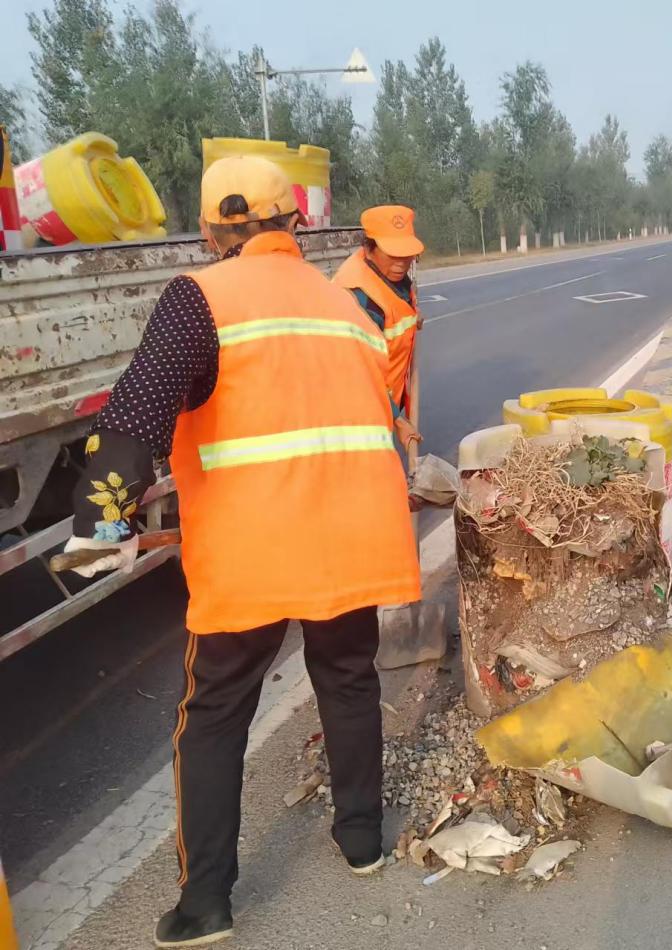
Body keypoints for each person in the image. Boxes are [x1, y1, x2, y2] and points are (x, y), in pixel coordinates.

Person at [64, 156, 420, 947]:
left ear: (208, 230)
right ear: (296, 222)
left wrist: (98, 538)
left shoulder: (201, 297)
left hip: (255, 550)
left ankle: (204, 905)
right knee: (348, 680)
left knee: (216, 712)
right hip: (350, 540)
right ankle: (362, 841)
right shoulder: (343, 305)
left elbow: (134, 423)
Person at [333, 205, 426, 460]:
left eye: (406, 254)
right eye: (393, 254)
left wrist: (412, 319)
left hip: (380, 404)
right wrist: (399, 421)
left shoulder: (390, 275)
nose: (401, 262)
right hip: (354, 414)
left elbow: (395, 308)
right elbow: (362, 375)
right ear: (369, 248)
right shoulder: (358, 297)